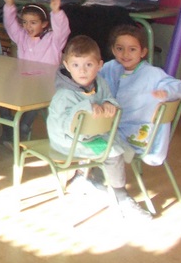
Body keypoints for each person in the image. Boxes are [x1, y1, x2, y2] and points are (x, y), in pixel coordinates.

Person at [46, 36, 152, 219]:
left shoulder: (99, 82)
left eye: (88, 65)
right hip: (68, 140)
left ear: (99, 65)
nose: (82, 71)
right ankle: (121, 197)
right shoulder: (64, 94)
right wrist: (87, 108)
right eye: (76, 65)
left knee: (118, 144)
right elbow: (65, 125)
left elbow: (108, 98)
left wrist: (110, 104)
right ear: (67, 66)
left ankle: (85, 177)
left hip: (92, 135)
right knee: (113, 152)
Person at [100, 23, 181, 165]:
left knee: (91, 139)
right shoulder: (110, 68)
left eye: (132, 49)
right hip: (111, 125)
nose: (125, 54)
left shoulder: (152, 74)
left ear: (143, 52)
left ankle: (101, 168)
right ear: (113, 50)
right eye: (120, 49)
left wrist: (167, 92)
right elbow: (94, 83)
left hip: (134, 132)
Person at [0, 0, 70, 143]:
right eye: (24, 22)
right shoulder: (22, 37)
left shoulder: (53, 40)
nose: (28, 26)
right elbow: (11, 26)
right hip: (23, 84)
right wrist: (9, 5)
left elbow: (62, 30)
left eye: (33, 23)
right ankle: (8, 130)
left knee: (33, 104)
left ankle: (21, 131)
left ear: (44, 24)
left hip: (45, 86)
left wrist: (56, 13)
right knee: (2, 98)